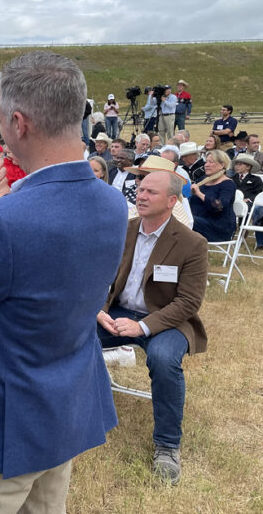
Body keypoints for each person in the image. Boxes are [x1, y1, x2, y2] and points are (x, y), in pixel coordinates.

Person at [0, 51, 128, 513]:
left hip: (2, 419)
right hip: (64, 402)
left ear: (17, 122)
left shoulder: (2, 220)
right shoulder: (112, 204)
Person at [98, 170, 208, 485]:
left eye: (151, 192)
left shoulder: (192, 243)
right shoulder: (125, 229)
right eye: (140, 189)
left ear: (172, 201)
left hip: (167, 318)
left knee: (163, 359)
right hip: (118, 310)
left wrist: (143, 327)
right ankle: (88, 415)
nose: (141, 196)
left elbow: (188, 303)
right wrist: (96, 310)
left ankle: (167, 445)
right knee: (74, 336)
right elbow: (97, 276)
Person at [189, 149, 237, 242]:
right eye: (206, 162)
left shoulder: (228, 184)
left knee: (186, 220)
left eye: (211, 162)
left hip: (218, 227)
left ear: (222, 165)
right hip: (199, 221)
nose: (206, 165)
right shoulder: (202, 180)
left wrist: (199, 194)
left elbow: (219, 206)